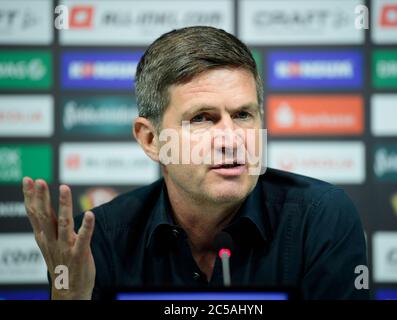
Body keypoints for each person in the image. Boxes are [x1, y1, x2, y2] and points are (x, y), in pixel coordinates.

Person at [22, 26, 369, 300]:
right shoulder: (98, 241)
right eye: (203, 118)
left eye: (243, 115)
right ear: (150, 139)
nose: (231, 139)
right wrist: (69, 296)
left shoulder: (322, 218)